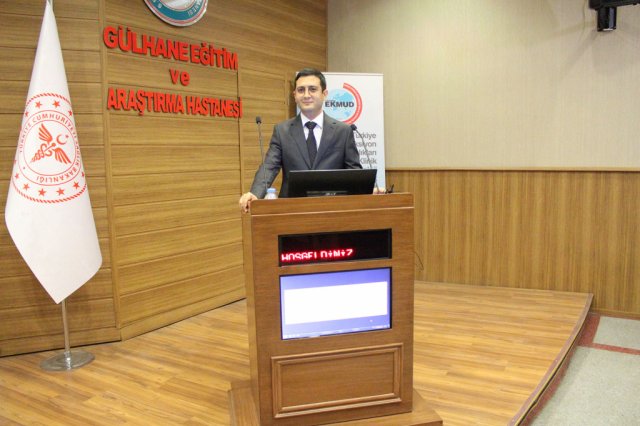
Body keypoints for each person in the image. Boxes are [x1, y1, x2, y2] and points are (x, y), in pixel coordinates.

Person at [238, 68, 362, 212]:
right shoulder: (282, 131)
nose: (306, 95)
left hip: (332, 210)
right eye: (301, 90)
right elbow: (269, 166)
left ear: (324, 94)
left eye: (313, 89)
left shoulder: (343, 131)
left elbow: (354, 172)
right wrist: (255, 193)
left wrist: (370, 189)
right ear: (295, 95)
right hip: (292, 210)